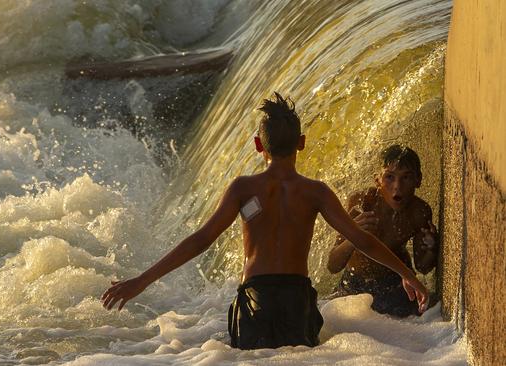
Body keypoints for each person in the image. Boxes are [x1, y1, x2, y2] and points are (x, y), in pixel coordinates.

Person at [102, 93, 428, 350]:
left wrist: (142, 281)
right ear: (301, 143)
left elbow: (201, 239)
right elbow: (362, 240)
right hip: (297, 301)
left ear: (259, 146)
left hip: (255, 299)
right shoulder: (315, 192)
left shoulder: (243, 189)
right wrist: (408, 274)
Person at [326, 144, 438, 317]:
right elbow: (333, 265)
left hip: (396, 283)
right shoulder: (362, 203)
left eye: (406, 178)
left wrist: (431, 247)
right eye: (389, 177)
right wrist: (353, 236)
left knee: (424, 317)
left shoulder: (418, 211)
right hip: (355, 283)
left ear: (418, 180)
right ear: (377, 180)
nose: (397, 187)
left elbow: (423, 267)